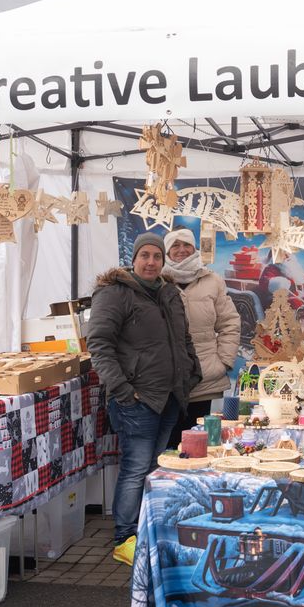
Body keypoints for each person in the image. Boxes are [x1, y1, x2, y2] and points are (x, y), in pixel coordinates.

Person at [88, 232, 201, 566]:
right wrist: (123, 390)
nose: (151, 262)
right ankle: (124, 539)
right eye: (145, 256)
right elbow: (99, 345)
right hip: (137, 399)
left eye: (156, 257)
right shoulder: (115, 293)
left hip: (169, 396)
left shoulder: (169, 293)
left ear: (163, 261)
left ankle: (145, 531)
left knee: (154, 468)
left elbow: (184, 338)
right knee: (136, 469)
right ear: (134, 259)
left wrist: (191, 372)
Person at [161, 228, 241, 448]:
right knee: (167, 445)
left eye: (186, 244)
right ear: (167, 251)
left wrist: (222, 362)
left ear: (194, 248)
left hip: (205, 375)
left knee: (199, 444)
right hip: (167, 378)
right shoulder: (157, 281)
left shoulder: (212, 280)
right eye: (175, 245)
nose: (181, 250)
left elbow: (230, 323)